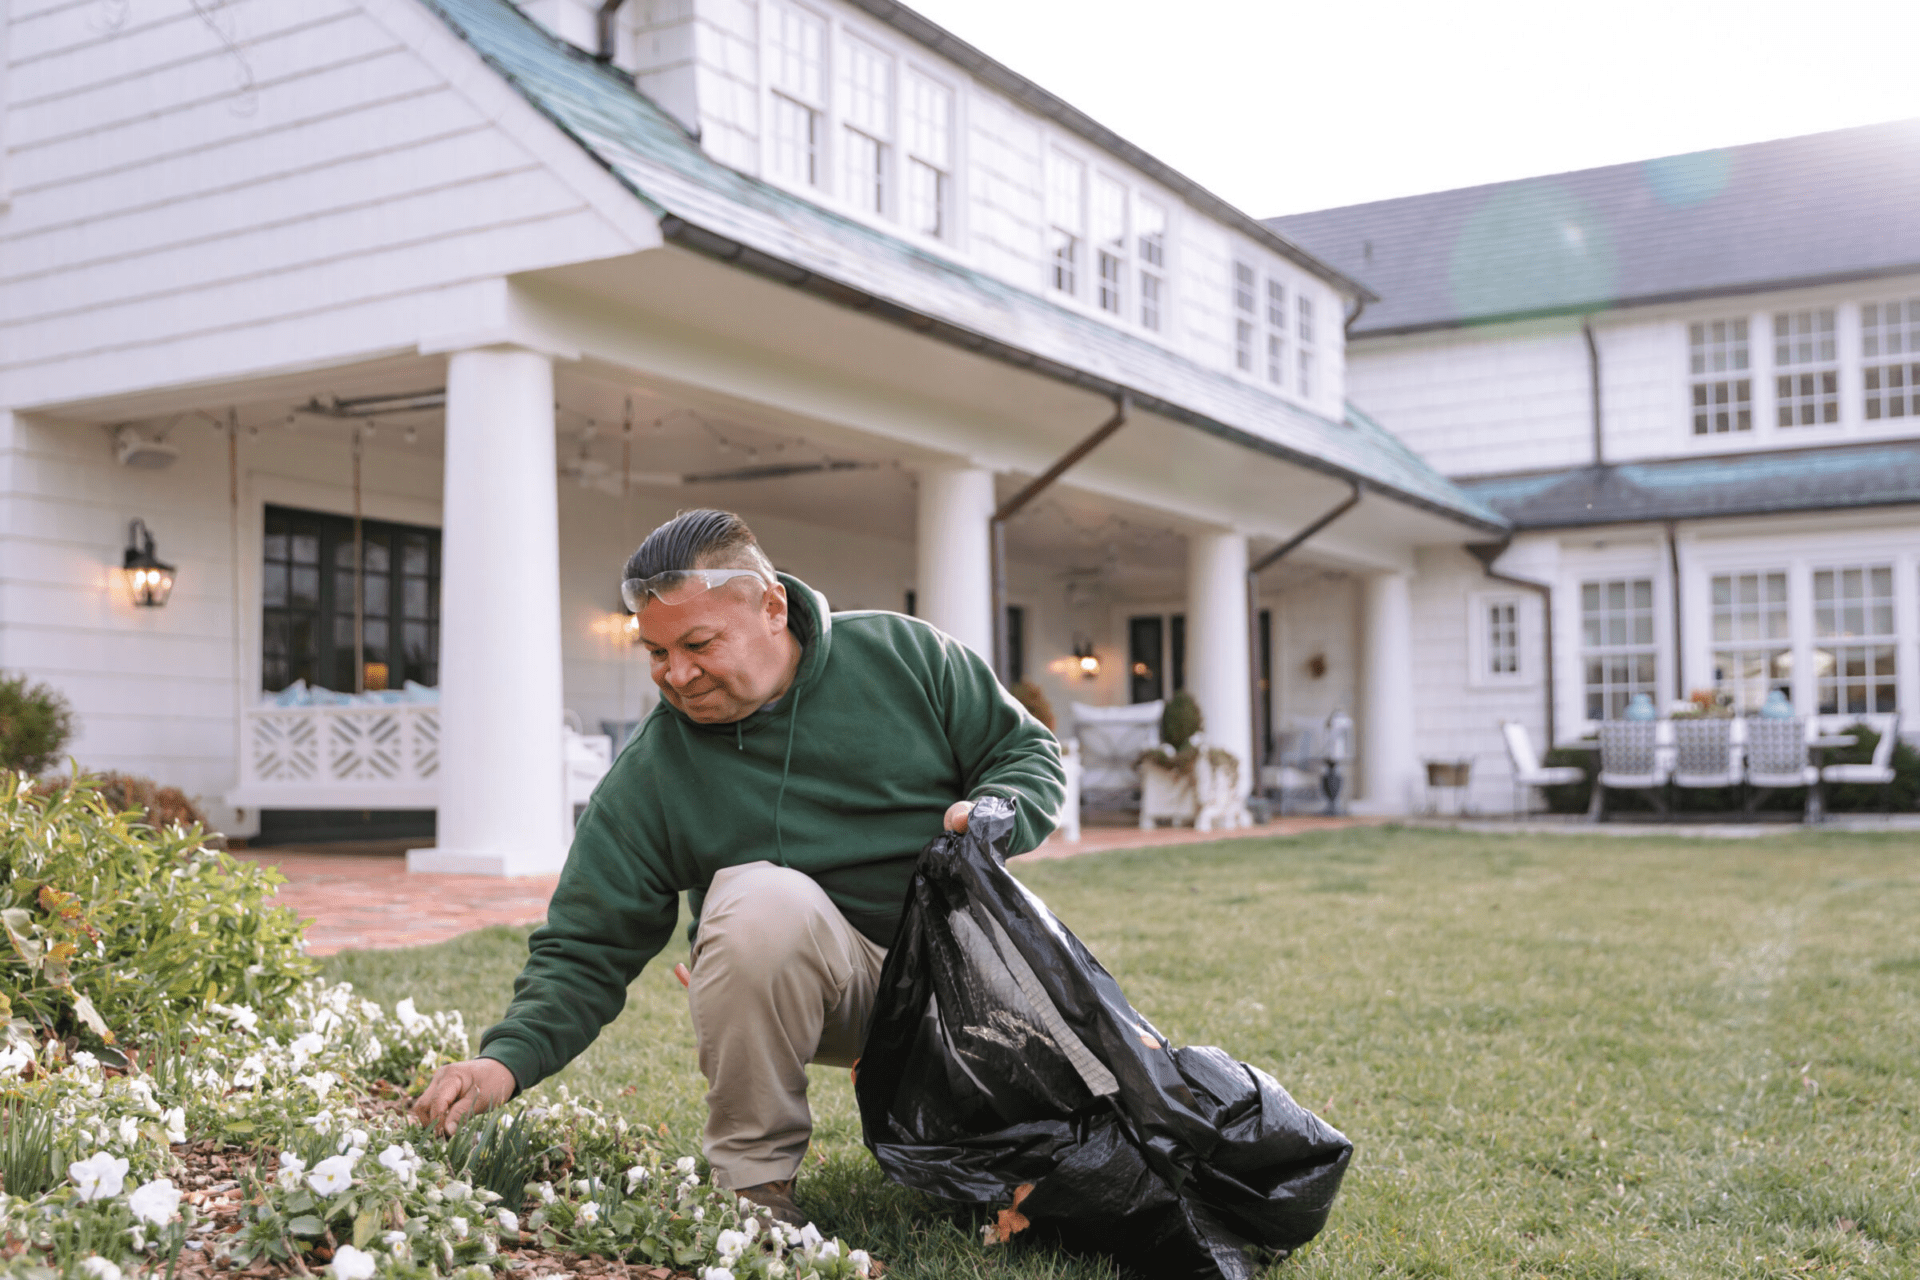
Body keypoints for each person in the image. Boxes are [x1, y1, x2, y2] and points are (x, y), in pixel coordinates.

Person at [410, 508, 1065, 1226]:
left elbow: (1024, 752)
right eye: (656, 653)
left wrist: (1001, 810)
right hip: (831, 992)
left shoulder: (906, 656)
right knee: (757, 904)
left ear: (772, 606)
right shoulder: (654, 772)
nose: (678, 675)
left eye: (698, 643)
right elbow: (587, 944)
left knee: (1097, 1149)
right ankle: (754, 1189)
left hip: (964, 974)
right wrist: (502, 1063)